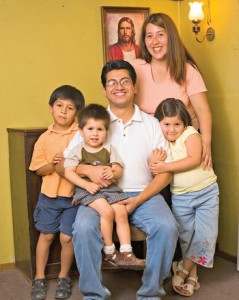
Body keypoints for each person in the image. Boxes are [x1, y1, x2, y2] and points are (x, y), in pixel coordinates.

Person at [59, 60, 179, 300]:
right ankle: (93, 294)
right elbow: (62, 165)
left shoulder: (152, 124)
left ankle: (150, 293)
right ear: (105, 89)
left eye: (125, 81)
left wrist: (139, 200)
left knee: (167, 227)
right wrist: (88, 171)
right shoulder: (93, 122)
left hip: (143, 194)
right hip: (99, 195)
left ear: (134, 87)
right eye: (112, 82)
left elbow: (166, 171)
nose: (119, 86)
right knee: (82, 228)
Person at [150, 98, 219, 297]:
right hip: (180, 198)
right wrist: (156, 164)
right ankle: (192, 276)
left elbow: (194, 159)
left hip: (206, 193)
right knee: (186, 240)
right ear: (159, 124)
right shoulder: (161, 142)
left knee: (206, 236)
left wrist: (165, 166)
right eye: (166, 124)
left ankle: (181, 269)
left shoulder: (190, 134)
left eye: (177, 124)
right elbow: (156, 169)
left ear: (184, 123)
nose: (172, 129)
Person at [63, 103, 145, 269]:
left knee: (121, 212)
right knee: (107, 212)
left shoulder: (108, 148)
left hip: (109, 188)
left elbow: (118, 167)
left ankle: (126, 252)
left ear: (106, 132)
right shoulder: (78, 150)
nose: (95, 134)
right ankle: (109, 252)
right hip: (88, 191)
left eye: (100, 129)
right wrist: (86, 184)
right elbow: (69, 172)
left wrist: (113, 173)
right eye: (90, 129)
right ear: (81, 131)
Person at [131, 13, 212, 169]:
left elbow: (203, 110)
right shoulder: (135, 68)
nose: (155, 42)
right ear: (144, 41)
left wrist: (206, 142)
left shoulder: (187, 70)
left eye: (160, 35)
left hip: (184, 149)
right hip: (151, 148)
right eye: (149, 36)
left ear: (171, 38)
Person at [29, 85, 85, 300]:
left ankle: (64, 277)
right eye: (59, 106)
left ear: (76, 112)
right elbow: (38, 169)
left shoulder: (80, 134)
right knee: (46, 235)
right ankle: (39, 277)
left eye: (69, 108)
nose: (63, 111)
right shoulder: (44, 138)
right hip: (49, 197)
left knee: (66, 238)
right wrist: (53, 165)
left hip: (72, 198)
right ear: (51, 108)